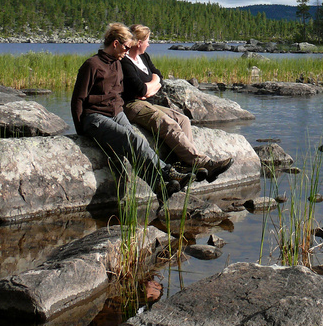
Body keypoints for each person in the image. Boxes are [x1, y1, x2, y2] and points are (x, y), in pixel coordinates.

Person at [71, 23, 190, 196]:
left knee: (137, 146)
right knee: (136, 141)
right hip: (95, 117)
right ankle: (167, 171)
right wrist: (80, 131)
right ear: (115, 44)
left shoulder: (118, 64)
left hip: (116, 113)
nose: (128, 51)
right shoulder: (92, 65)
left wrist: (122, 111)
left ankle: (158, 186)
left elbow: (119, 94)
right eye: (126, 47)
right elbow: (78, 99)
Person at [120, 24, 232, 183]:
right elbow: (139, 89)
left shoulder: (143, 57)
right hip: (132, 105)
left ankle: (183, 165)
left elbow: (158, 75)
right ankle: (202, 161)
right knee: (166, 122)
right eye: (147, 40)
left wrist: (150, 87)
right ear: (139, 42)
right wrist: (150, 87)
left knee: (183, 120)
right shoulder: (124, 61)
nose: (149, 44)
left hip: (148, 103)